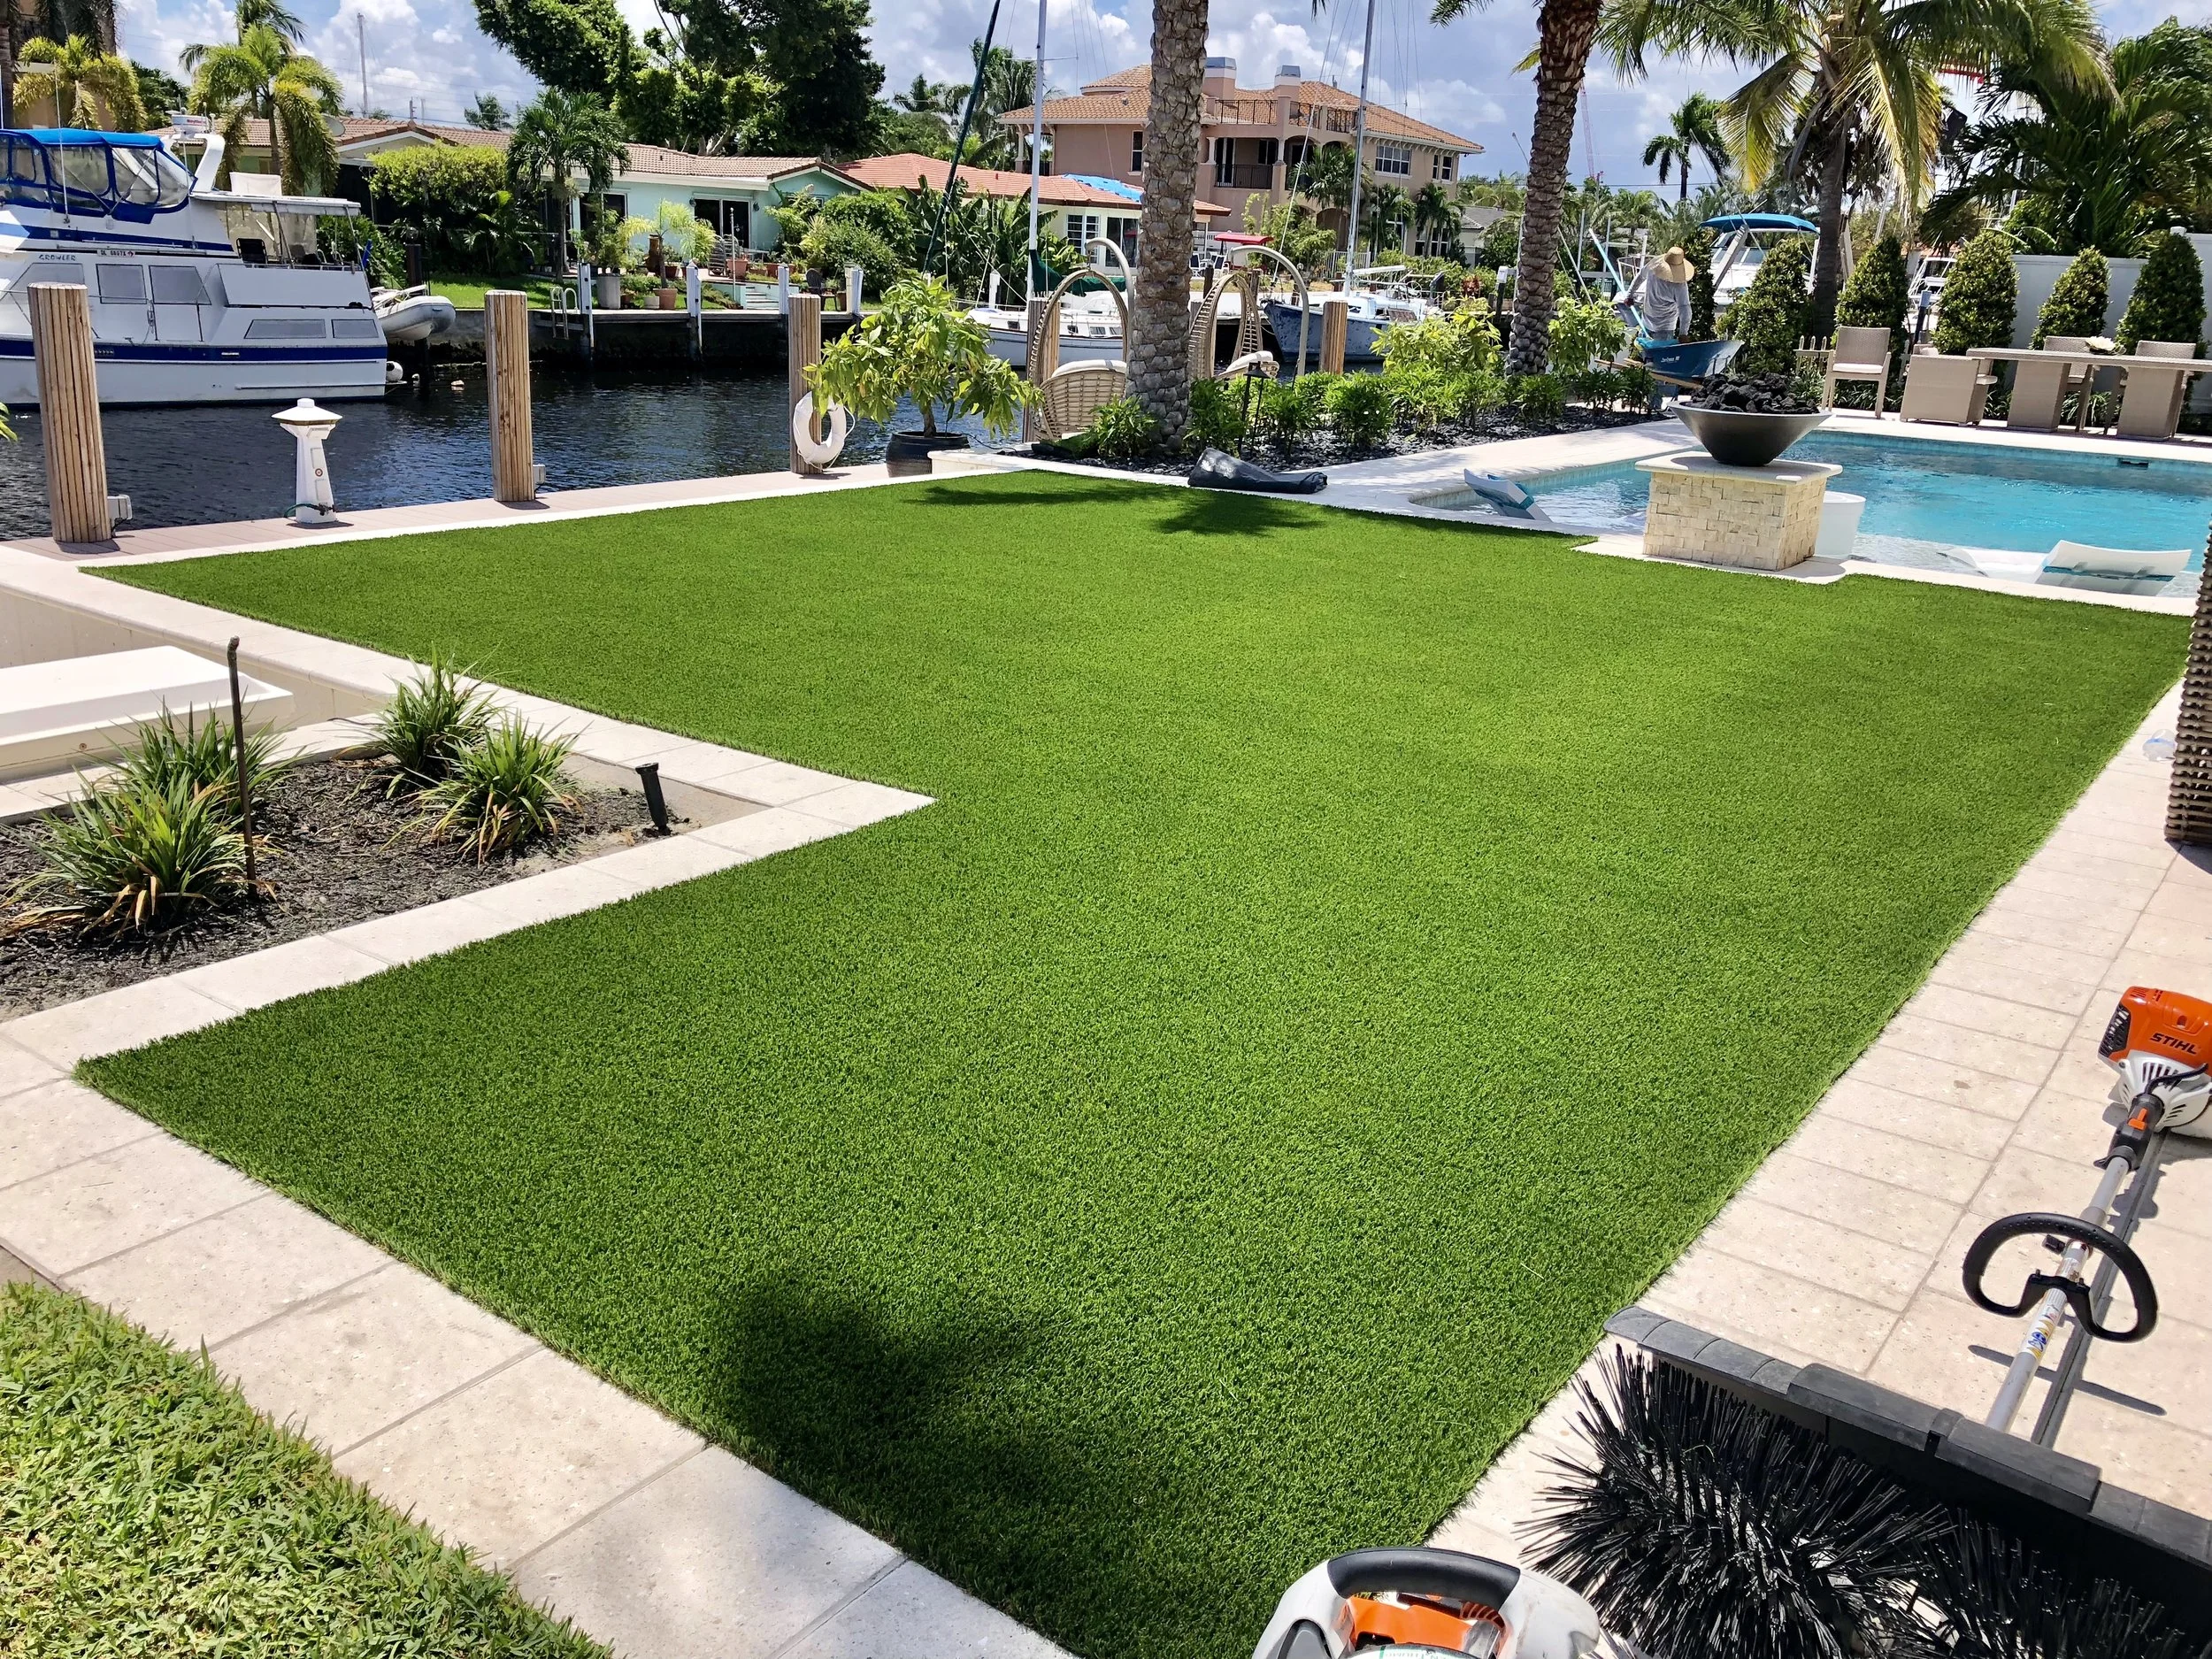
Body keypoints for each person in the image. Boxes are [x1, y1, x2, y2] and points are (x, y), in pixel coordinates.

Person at [1642, 246, 1694, 342]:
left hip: (1664, 327)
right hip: (1646, 323)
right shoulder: (1652, 268)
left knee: (1652, 355)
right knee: (1649, 355)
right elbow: (1640, 276)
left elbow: (1685, 309)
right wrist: (1630, 295)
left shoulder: (1679, 285)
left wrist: (1683, 333)